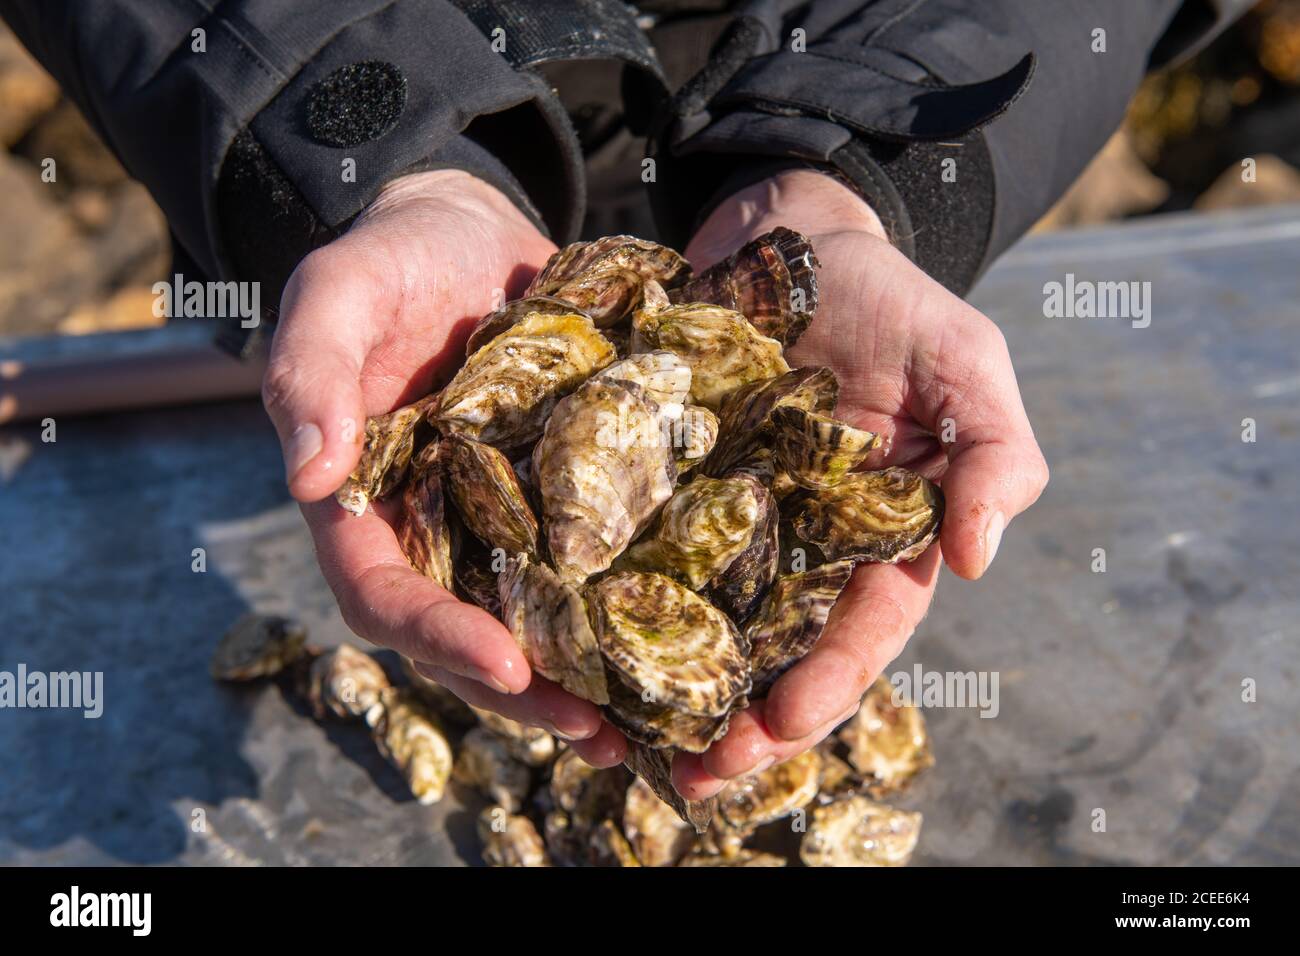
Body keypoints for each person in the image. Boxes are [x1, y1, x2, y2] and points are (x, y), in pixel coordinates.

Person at [2, 0, 1251, 799]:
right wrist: (348, 136)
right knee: (371, 499)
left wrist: (851, 160)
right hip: (372, 220)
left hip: (775, 100)